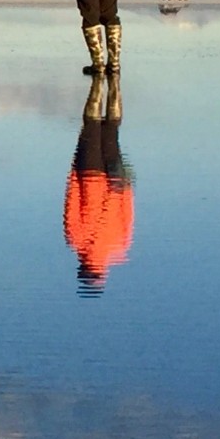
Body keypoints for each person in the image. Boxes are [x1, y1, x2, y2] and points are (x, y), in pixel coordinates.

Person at [63, 73, 133, 294]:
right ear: (84, 267)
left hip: (115, 182)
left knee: (112, 128)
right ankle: (99, 82)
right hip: (89, 174)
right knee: (91, 125)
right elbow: (72, 201)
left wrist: (126, 185)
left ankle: (112, 84)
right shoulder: (75, 240)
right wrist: (74, 173)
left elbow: (127, 213)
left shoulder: (120, 245)